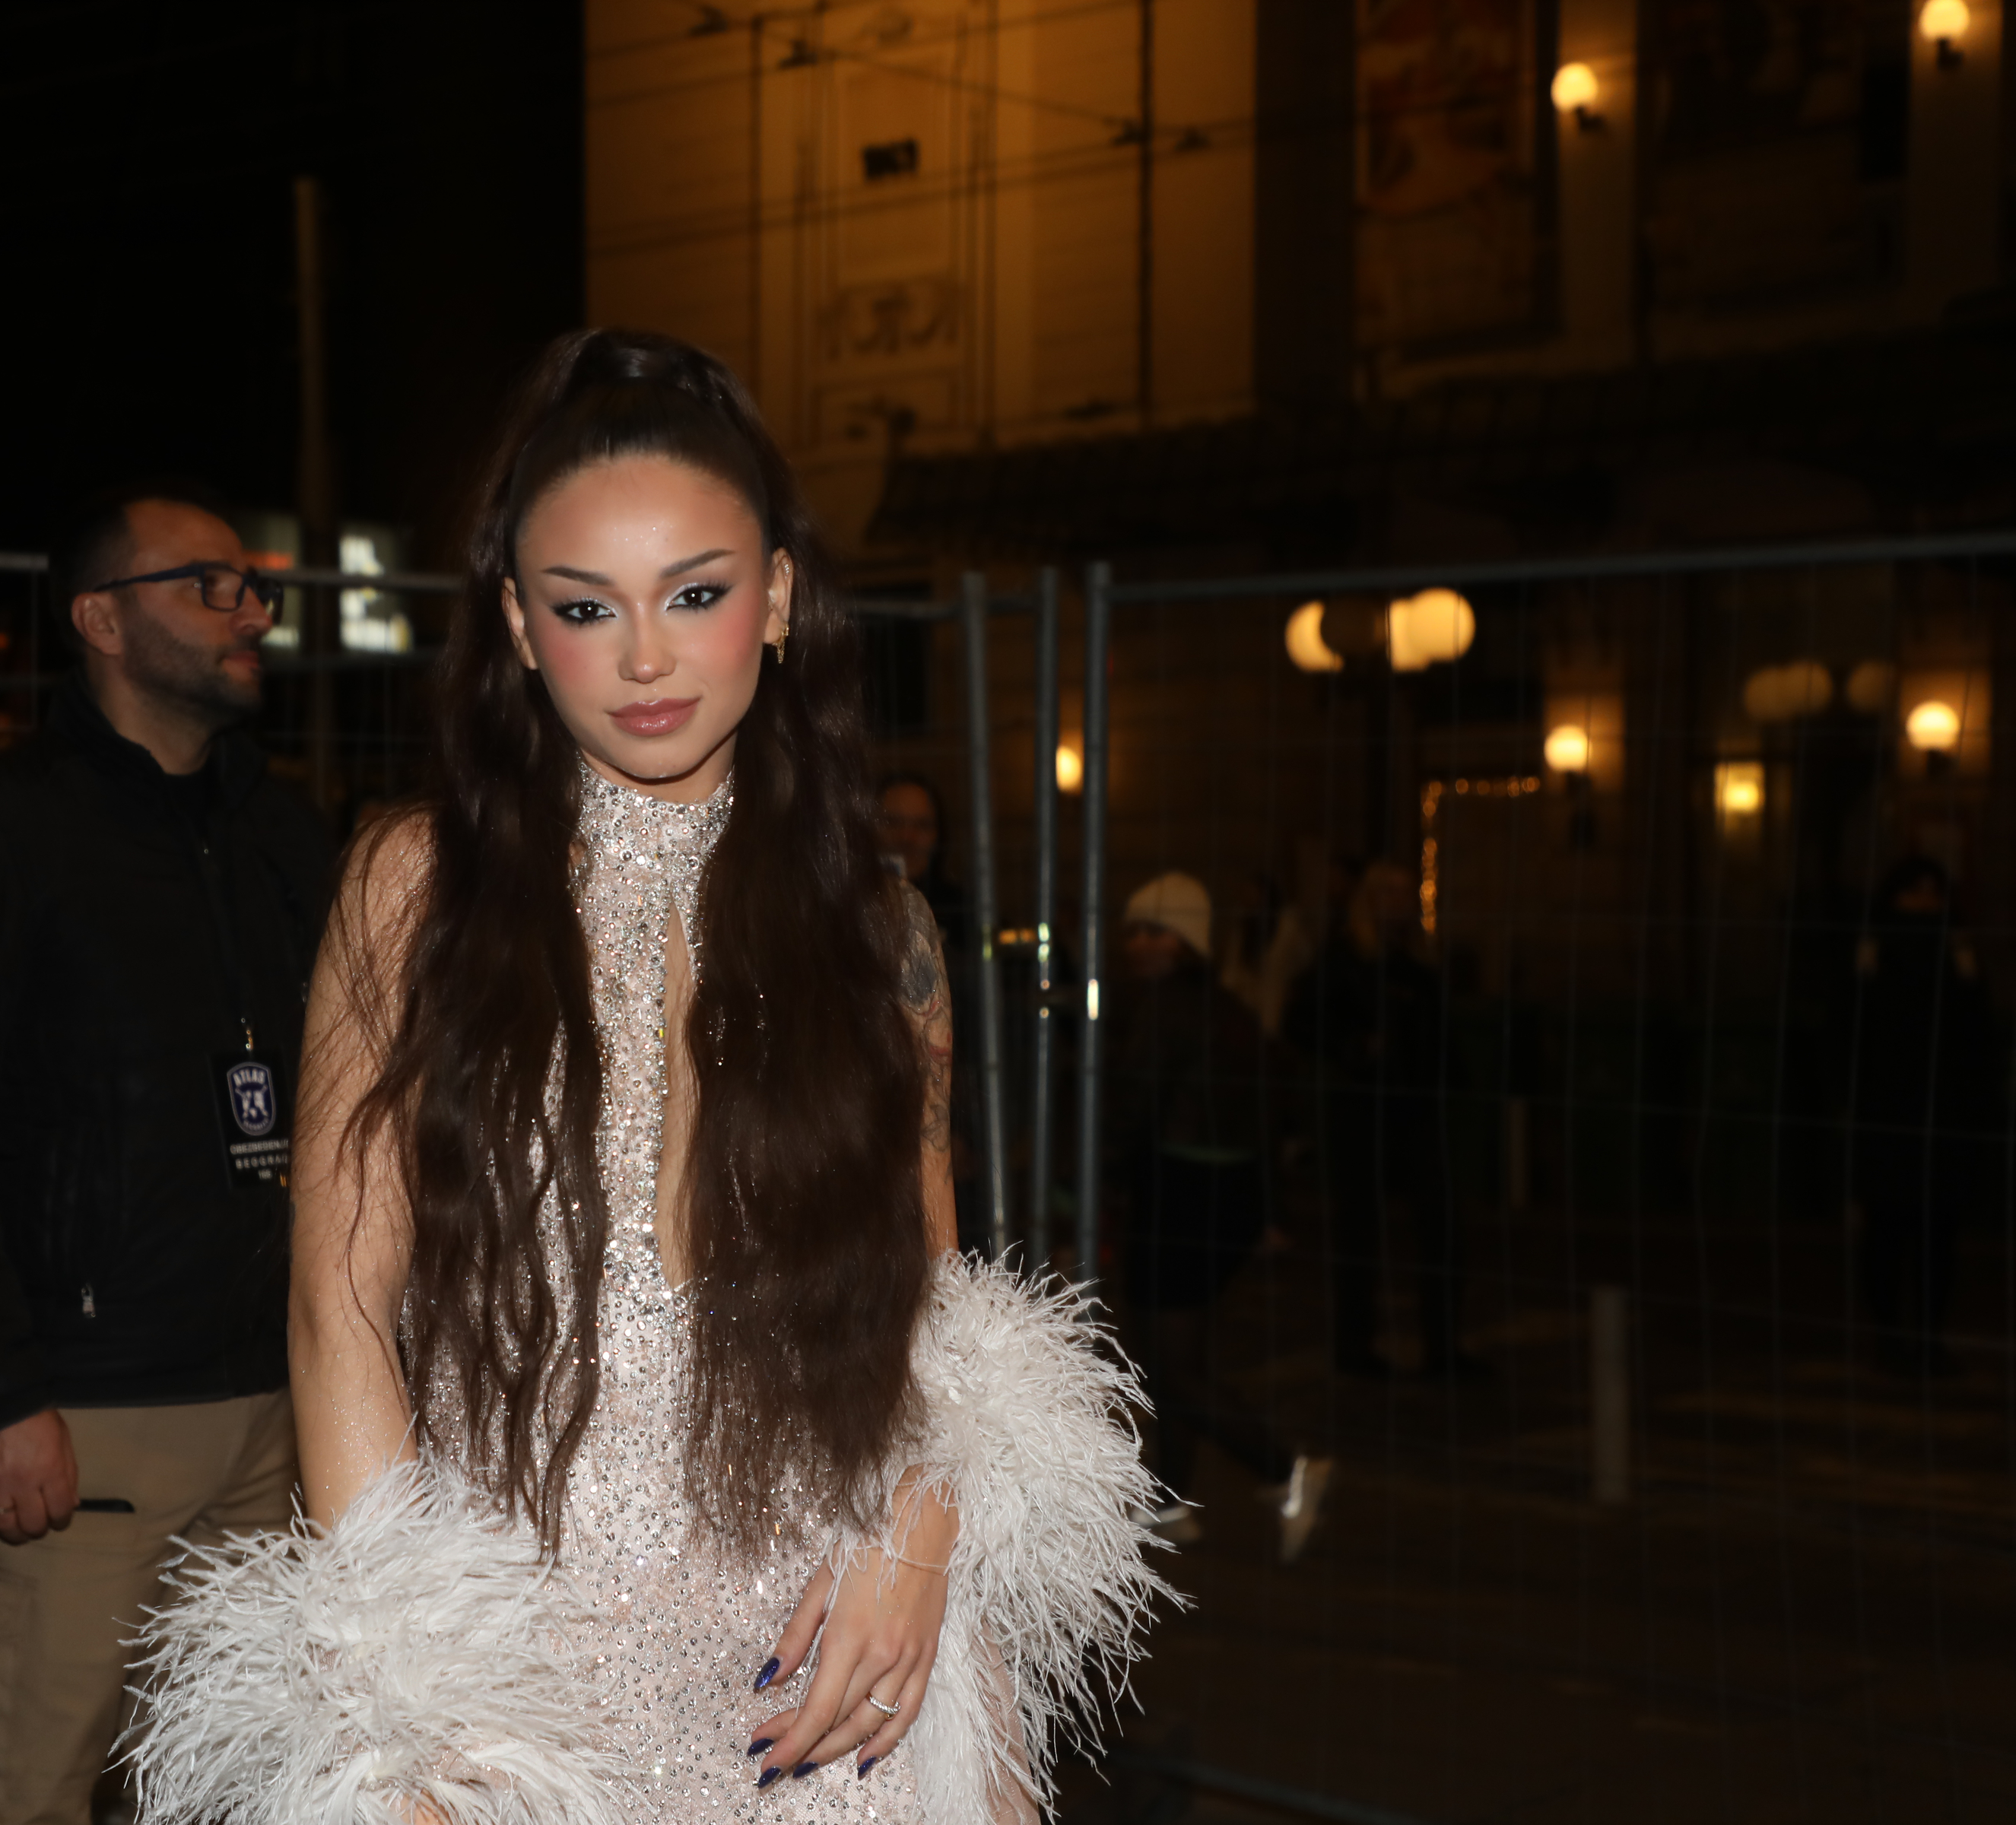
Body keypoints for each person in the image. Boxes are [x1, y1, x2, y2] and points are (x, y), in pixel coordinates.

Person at [125, 331, 1161, 1825]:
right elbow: (339, 1316)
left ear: (781, 597)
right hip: (525, 1680)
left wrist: (919, 1542)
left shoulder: (877, 925)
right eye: (587, 608)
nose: (649, 657)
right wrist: (414, 1717)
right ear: (519, 626)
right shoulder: (416, 885)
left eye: (697, 593)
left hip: (829, 1655)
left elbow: (929, 1295)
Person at [0, 478, 332, 1825]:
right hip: (80, 1428)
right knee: (20, 1787)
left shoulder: (280, 832)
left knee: (245, 1789)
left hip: (278, 1416)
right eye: (209, 585)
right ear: (101, 623)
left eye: (257, 587)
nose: (250, 612)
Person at [1111, 872, 1329, 1562]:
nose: (1141, 945)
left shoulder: (1165, 1009)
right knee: (1175, 1357)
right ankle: (1168, 1501)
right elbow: (1267, 1110)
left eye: (1158, 933)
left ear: (1187, 944)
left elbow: (1134, 1112)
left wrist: (1075, 1190)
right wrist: (1266, 1208)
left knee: (1172, 1367)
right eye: (1136, 931)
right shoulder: (1227, 1007)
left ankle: (1285, 1468)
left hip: (1177, 1194)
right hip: (1221, 1197)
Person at [1282, 862, 1481, 1382]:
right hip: (1363, 1108)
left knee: (1441, 1229)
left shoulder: (1416, 965)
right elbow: (1299, 1018)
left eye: (1404, 893)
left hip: (1415, 1107)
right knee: (1358, 1232)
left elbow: (1437, 1033)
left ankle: (1443, 1348)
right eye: (1387, 893)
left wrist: (1454, 1075)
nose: (1397, 902)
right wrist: (1352, 1047)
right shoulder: (1345, 959)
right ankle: (1355, 1346)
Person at [1850, 856, 1992, 1379]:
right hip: (1890, 1120)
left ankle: (1927, 1337)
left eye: (1935, 896)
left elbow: (1975, 1031)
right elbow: (1855, 1033)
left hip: (1943, 1121)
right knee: (1888, 1234)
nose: (1926, 906)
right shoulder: (1875, 952)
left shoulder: (1955, 953)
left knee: (1937, 1238)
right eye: (1914, 895)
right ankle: (1891, 1335)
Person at [875, 773, 994, 1258]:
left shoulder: (966, 916)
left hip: (949, 1120)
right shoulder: (839, 910)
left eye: (921, 825)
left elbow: (986, 1033)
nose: (908, 836)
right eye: (894, 822)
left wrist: (965, 1131)